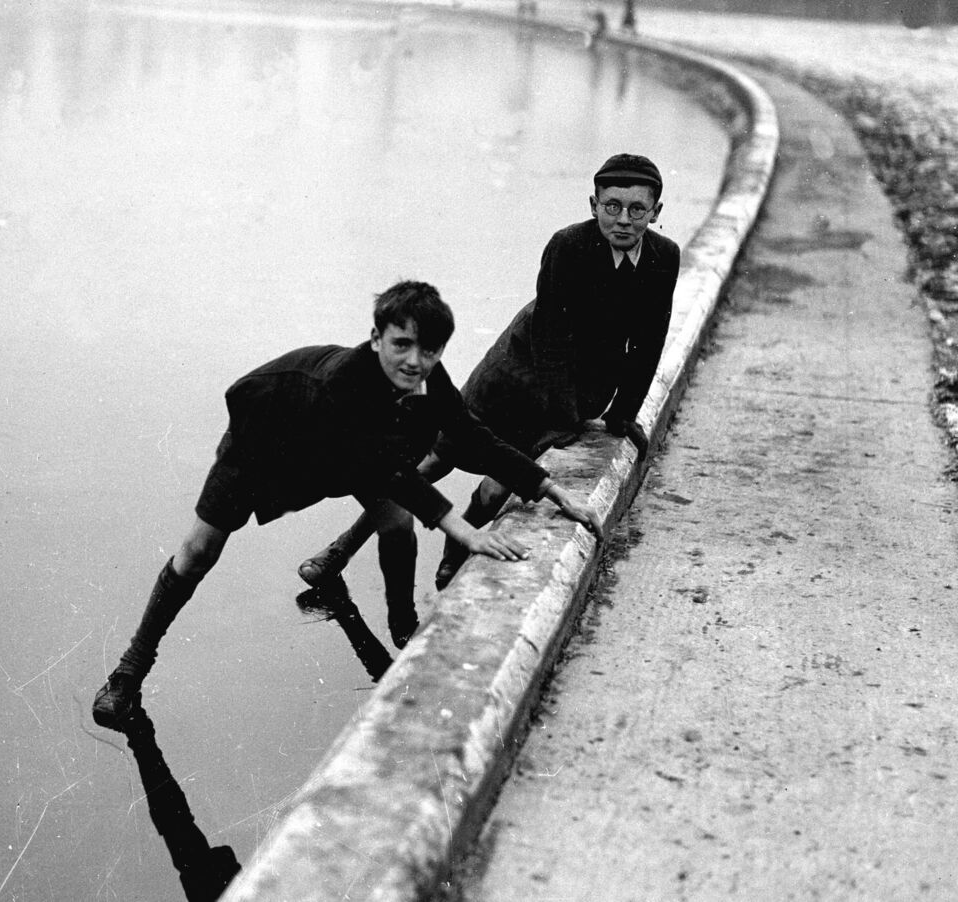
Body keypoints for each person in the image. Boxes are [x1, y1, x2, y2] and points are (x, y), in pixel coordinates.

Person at [92, 281, 603, 731]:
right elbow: (385, 468)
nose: (414, 361)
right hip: (266, 445)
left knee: (396, 522)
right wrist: (464, 532)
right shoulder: (340, 385)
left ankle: (403, 628)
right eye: (401, 345)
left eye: (429, 350)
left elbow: (469, 434)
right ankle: (130, 669)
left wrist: (548, 487)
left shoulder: (428, 376)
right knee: (198, 552)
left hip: (355, 456)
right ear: (376, 337)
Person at [298, 154, 679, 591]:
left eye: (637, 210)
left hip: (580, 387)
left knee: (500, 486)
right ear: (593, 204)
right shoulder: (567, 245)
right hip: (518, 371)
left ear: (656, 213)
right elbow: (550, 338)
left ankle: (457, 550)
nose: (624, 220)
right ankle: (341, 549)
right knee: (436, 458)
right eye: (612, 206)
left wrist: (622, 413)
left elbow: (650, 340)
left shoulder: (664, 257)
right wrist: (566, 418)